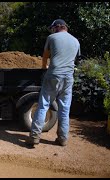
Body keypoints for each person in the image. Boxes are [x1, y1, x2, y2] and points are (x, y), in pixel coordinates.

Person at [25, 19, 81, 147]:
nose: (52, 30)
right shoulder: (76, 41)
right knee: (65, 109)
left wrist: (44, 68)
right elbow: (74, 59)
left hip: (53, 75)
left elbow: (45, 56)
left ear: (58, 27)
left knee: (43, 105)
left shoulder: (52, 38)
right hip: (68, 78)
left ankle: (34, 137)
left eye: (53, 28)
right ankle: (62, 139)